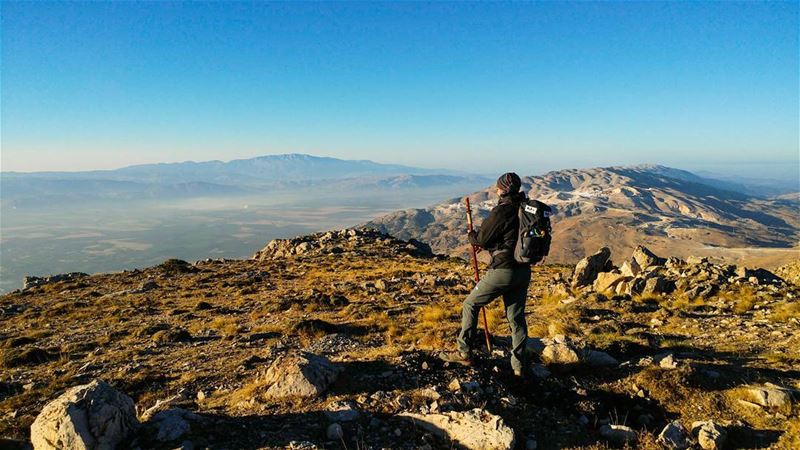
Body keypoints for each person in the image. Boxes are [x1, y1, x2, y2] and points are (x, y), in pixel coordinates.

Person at [440, 172, 532, 377]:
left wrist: (472, 236)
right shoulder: (525, 210)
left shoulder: (502, 211)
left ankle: (464, 352)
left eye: (498, 187)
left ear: (503, 189)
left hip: (503, 271)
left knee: (470, 304)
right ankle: (519, 367)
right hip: (523, 272)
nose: (497, 190)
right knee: (516, 319)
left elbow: (481, 239)